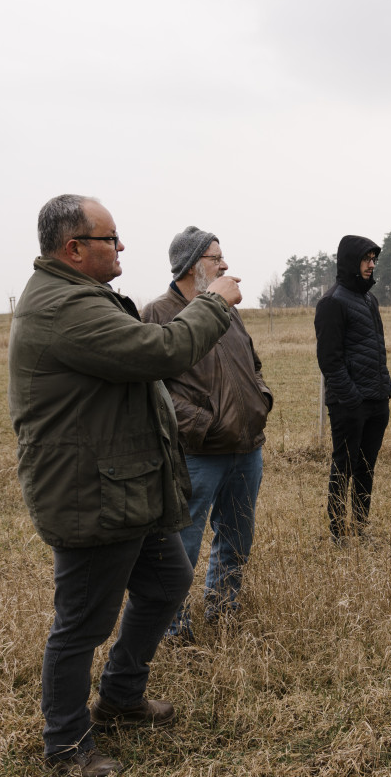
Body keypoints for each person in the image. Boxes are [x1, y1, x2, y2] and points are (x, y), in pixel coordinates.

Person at [9, 195, 242, 775]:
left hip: (125, 485)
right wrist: (214, 302)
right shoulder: (65, 308)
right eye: (110, 238)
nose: (121, 247)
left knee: (166, 583)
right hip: (91, 494)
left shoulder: (82, 297)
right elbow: (160, 351)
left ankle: (120, 696)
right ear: (73, 248)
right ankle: (66, 744)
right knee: (81, 624)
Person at [141, 226, 273, 642]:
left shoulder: (228, 310)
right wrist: (203, 424)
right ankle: (173, 627)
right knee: (182, 544)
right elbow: (151, 388)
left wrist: (261, 398)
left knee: (237, 536)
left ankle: (224, 609)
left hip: (246, 448)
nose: (225, 265)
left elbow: (252, 364)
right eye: (216, 258)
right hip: (197, 453)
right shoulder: (157, 314)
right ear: (191, 265)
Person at [315, 235, 391, 544]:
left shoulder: (369, 300)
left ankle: (360, 527)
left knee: (366, 467)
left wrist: (384, 388)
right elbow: (329, 360)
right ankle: (338, 532)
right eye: (365, 259)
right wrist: (351, 399)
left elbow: (377, 348)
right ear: (351, 261)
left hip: (377, 399)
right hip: (349, 403)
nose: (371, 265)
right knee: (343, 466)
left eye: (373, 259)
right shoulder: (332, 302)